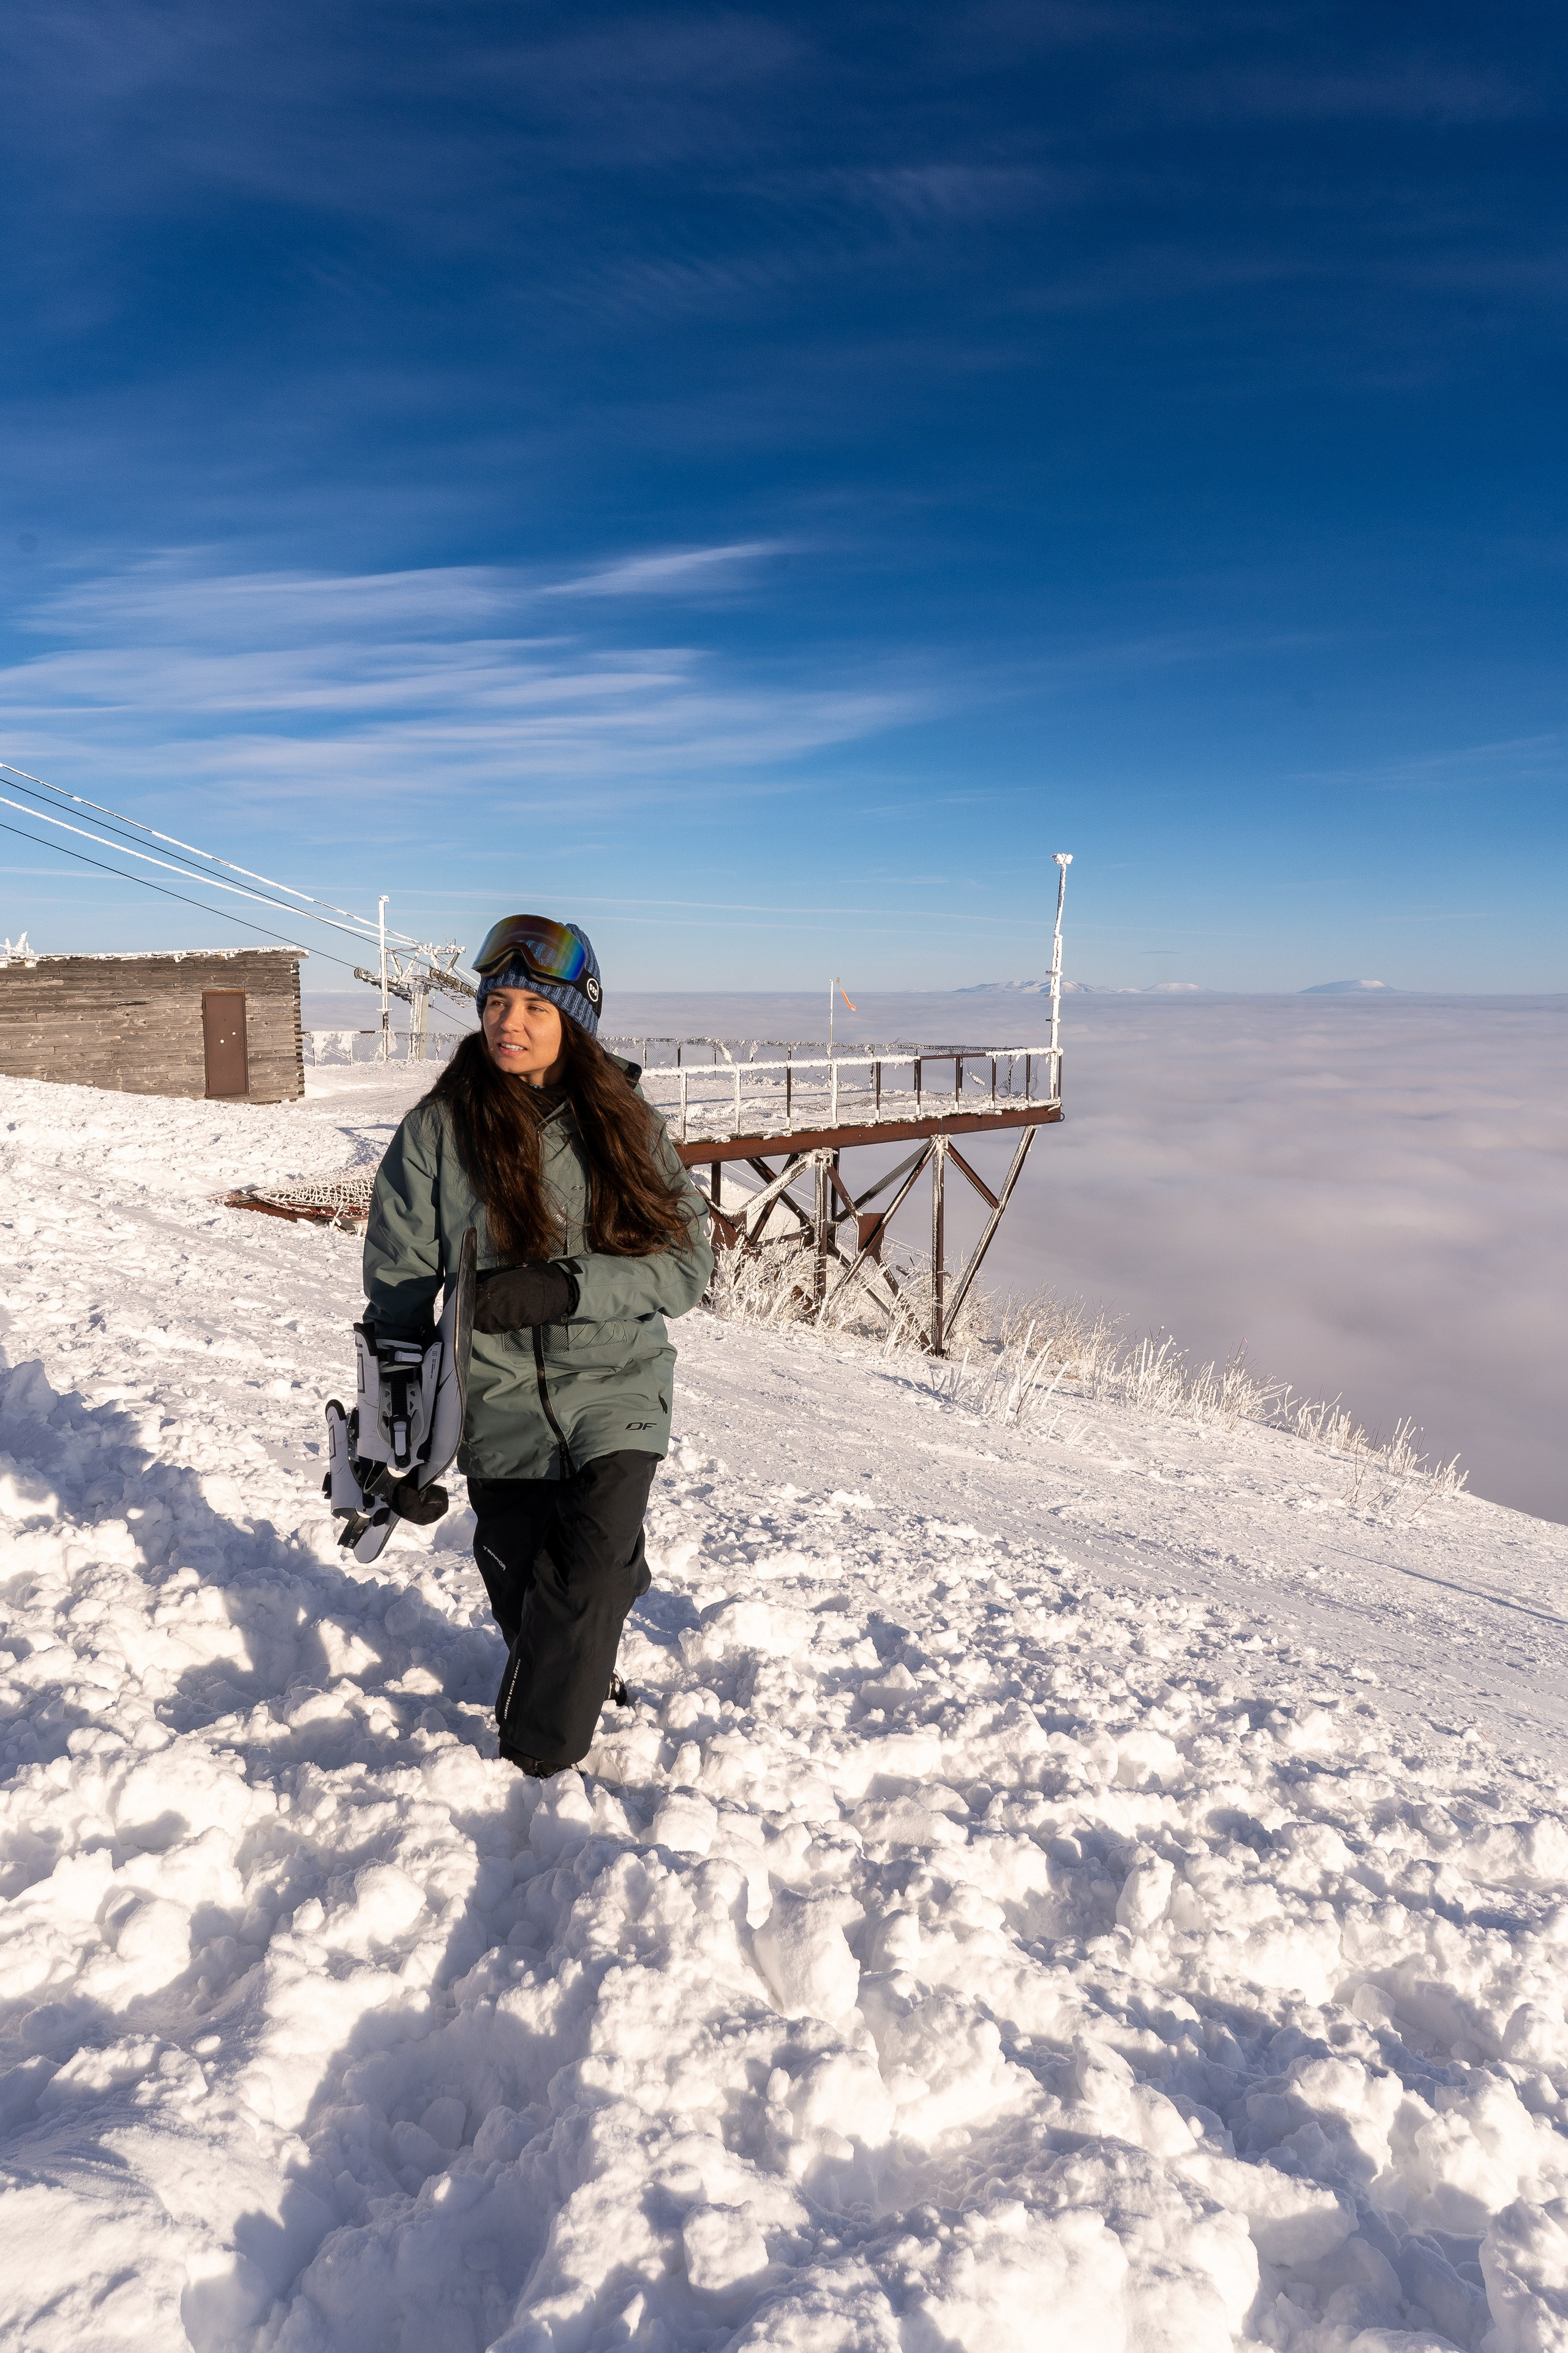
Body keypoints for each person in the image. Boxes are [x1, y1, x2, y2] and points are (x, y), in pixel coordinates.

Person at [361, 914, 713, 1776]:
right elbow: (401, 1288)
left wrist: (568, 1286)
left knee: (575, 1599)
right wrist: (396, 1440)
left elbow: (686, 1266)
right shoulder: (438, 1134)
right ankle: (604, 1595)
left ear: (575, 1022)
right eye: (496, 1003)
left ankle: (532, 1765)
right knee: (535, 1607)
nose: (508, 1023)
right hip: (498, 1411)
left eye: (533, 1006)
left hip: (616, 1392)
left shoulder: (624, 1125)